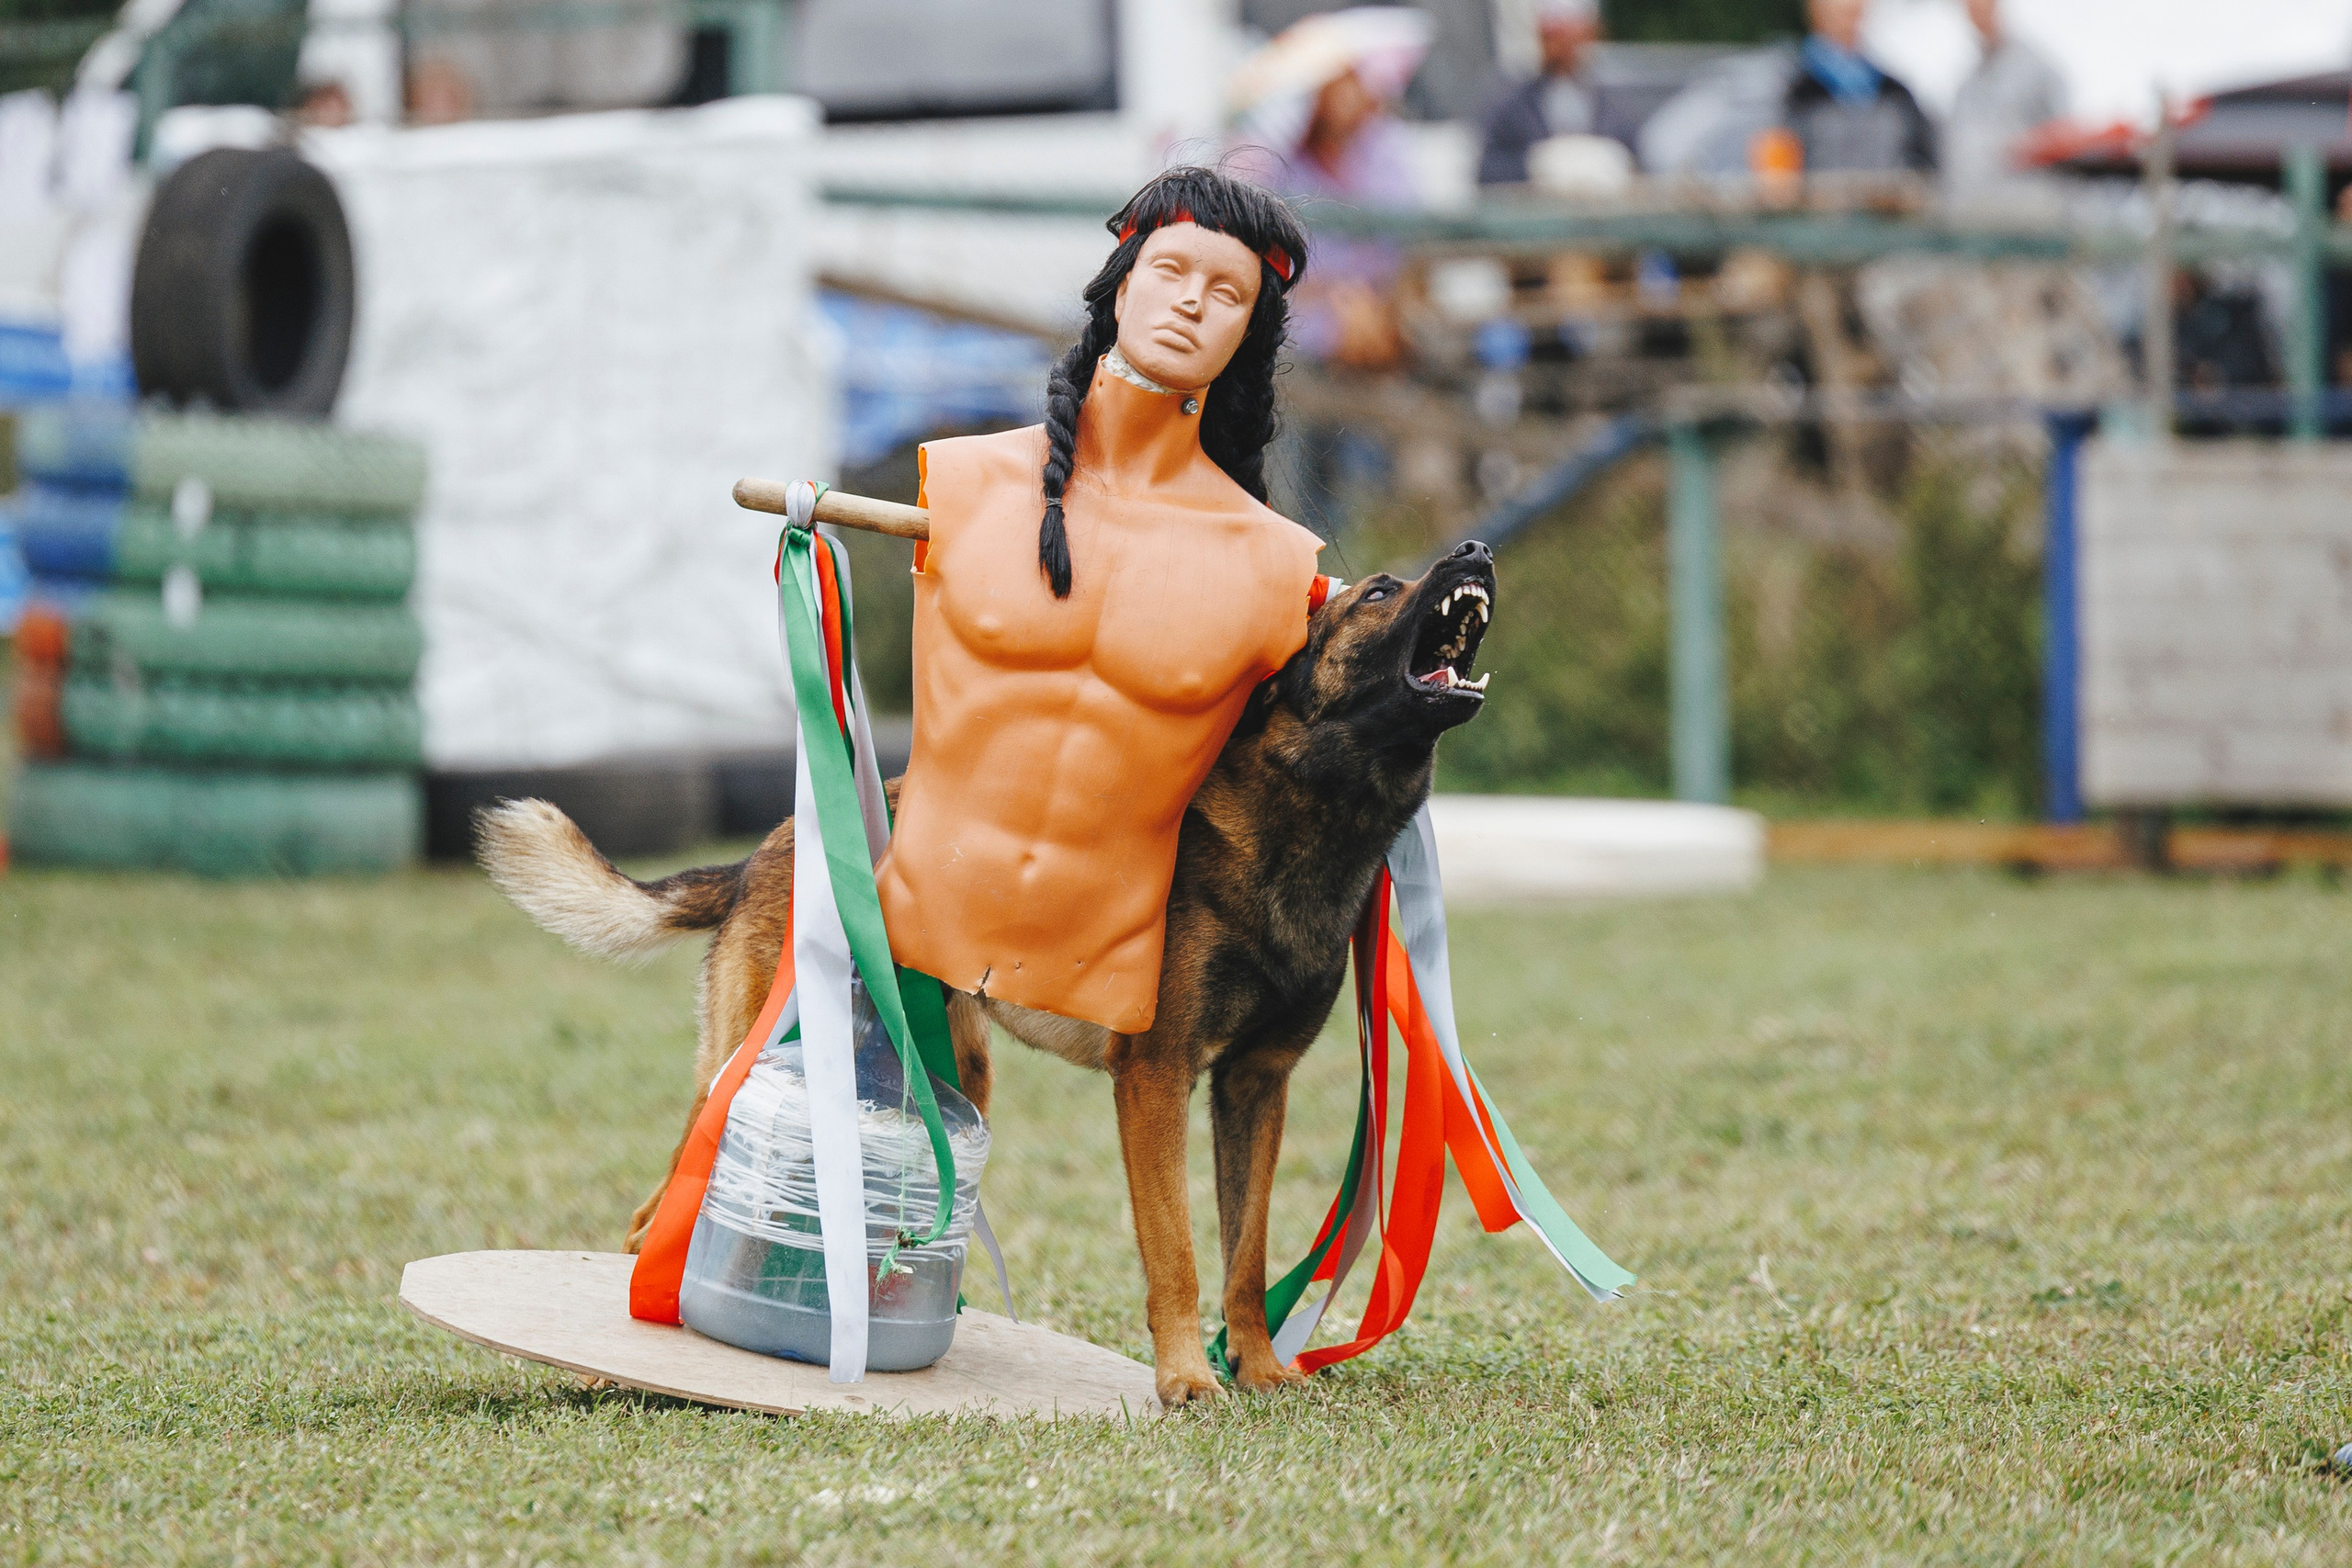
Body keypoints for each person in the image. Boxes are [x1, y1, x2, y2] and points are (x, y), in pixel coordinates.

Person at [875, 167, 1322, 1040]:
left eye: (1227, 292)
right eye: (1170, 271)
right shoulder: (964, 481)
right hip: (916, 917)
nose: (1192, 303)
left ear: (1249, 334)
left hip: (1111, 966)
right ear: (1121, 286)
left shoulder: (1273, 564)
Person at [1226, 7, 1430, 369]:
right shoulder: (1270, 161)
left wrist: (1371, 302)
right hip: (1291, 344)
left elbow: (1409, 244)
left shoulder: (1382, 149)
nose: (1357, 96)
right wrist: (1334, 299)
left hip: (1378, 326)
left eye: (1358, 80)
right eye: (1342, 81)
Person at [1784, 0, 1935, 176]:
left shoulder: (1894, 91)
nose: (1848, 16)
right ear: (1816, 12)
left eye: (1853, 9)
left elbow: (1926, 158)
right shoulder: (1791, 89)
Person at [1940, 0, 2066, 196]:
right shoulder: (1968, 84)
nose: (1974, 10)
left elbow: (2062, 140)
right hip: (1973, 208)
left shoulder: (2037, 69)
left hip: (2027, 206)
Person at [1476, 0, 1608, 187]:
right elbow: (1487, 169)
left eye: (1562, 32)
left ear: (1588, 33)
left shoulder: (1608, 104)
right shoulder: (1513, 106)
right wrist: (1534, 165)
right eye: (1549, 33)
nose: (1554, 42)